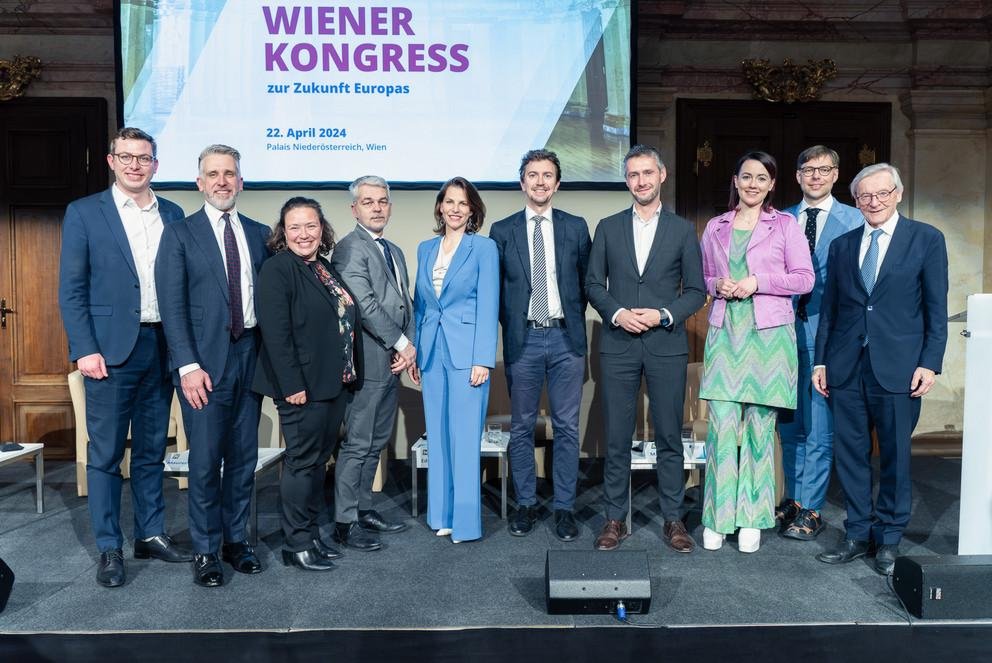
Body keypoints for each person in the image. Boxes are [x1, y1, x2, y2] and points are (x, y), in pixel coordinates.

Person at [58, 127, 191, 588]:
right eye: (127, 157)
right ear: (112, 161)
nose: (136, 165)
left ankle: (150, 533)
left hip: (162, 346)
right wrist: (84, 349)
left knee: (154, 448)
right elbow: (71, 289)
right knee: (107, 454)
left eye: (145, 158)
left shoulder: (172, 213)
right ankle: (109, 547)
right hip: (110, 351)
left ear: (156, 164)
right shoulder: (84, 213)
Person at [814, 163, 947, 575]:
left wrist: (930, 362)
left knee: (895, 456)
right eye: (864, 196)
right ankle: (857, 533)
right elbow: (831, 310)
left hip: (901, 369)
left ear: (898, 194)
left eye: (881, 194)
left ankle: (889, 538)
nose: (873, 202)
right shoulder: (842, 244)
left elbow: (935, 310)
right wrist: (820, 361)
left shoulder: (926, 239)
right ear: (856, 200)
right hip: (846, 366)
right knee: (850, 454)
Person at [156, 144, 271, 587]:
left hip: (250, 358)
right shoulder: (180, 233)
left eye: (229, 173)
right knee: (205, 462)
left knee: (243, 459)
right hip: (203, 365)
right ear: (199, 182)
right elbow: (172, 305)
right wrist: (187, 365)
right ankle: (206, 551)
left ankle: (235, 541)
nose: (222, 181)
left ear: (240, 181)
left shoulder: (260, 233)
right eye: (213, 174)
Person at [585, 144, 706, 553]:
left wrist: (663, 315)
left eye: (647, 173)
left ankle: (674, 519)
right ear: (627, 181)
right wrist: (617, 313)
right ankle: (615, 519)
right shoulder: (607, 226)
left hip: (665, 345)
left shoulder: (682, 229)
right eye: (633, 175)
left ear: (662, 175)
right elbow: (591, 285)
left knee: (669, 436)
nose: (641, 181)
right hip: (618, 344)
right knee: (617, 437)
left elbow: (695, 291)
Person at [697, 151, 814, 554]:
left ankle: (751, 519)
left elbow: (804, 277)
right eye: (745, 176)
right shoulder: (716, 226)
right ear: (735, 180)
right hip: (726, 335)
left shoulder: (785, 225)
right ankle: (717, 518)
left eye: (760, 178)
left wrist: (756, 282)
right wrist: (719, 287)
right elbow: (704, 277)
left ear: (771, 185)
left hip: (769, 340)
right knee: (722, 430)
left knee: (761, 433)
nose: (752, 184)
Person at [253, 197, 362, 571]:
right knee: (301, 463)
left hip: (332, 384)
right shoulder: (278, 269)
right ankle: (295, 543)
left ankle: (312, 533)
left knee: (317, 463)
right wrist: (291, 385)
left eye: (311, 225)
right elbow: (277, 334)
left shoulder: (323, 268)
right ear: (283, 232)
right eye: (295, 227)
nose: (304, 234)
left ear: (322, 228)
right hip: (302, 388)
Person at [489, 149, 591, 541]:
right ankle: (527, 505)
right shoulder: (502, 230)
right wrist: (516, 326)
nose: (540, 182)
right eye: (533, 175)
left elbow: (584, 285)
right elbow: (497, 292)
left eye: (548, 175)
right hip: (524, 339)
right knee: (521, 427)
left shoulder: (576, 226)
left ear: (558, 183)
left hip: (566, 338)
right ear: (522, 182)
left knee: (566, 427)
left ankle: (564, 508)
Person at [776, 146, 862, 541]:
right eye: (807, 169)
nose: (815, 176)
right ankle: (793, 500)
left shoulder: (855, 220)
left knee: (819, 428)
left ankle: (811, 507)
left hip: (826, 336)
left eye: (823, 169)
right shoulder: (779, 220)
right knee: (790, 427)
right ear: (797, 176)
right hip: (778, 336)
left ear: (836, 174)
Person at [413, 176, 499, 543]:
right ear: (440, 206)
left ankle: (465, 523)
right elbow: (421, 307)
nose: (455, 209)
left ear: (473, 210)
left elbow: (489, 304)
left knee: (464, 439)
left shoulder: (484, 248)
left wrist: (483, 359)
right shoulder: (425, 248)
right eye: (449, 202)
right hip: (432, 353)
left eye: (462, 203)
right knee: (440, 439)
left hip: (468, 356)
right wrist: (417, 351)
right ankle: (441, 516)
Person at [330, 176, 413, 551]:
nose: (377, 207)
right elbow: (364, 306)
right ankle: (345, 521)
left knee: (377, 440)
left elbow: (403, 303)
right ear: (354, 209)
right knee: (358, 443)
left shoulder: (392, 249)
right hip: (367, 361)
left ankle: (364, 508)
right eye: (368, 202)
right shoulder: (349, 249)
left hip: (391, 361)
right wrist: (400, 342)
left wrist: (407, 347)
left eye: (382, 201)